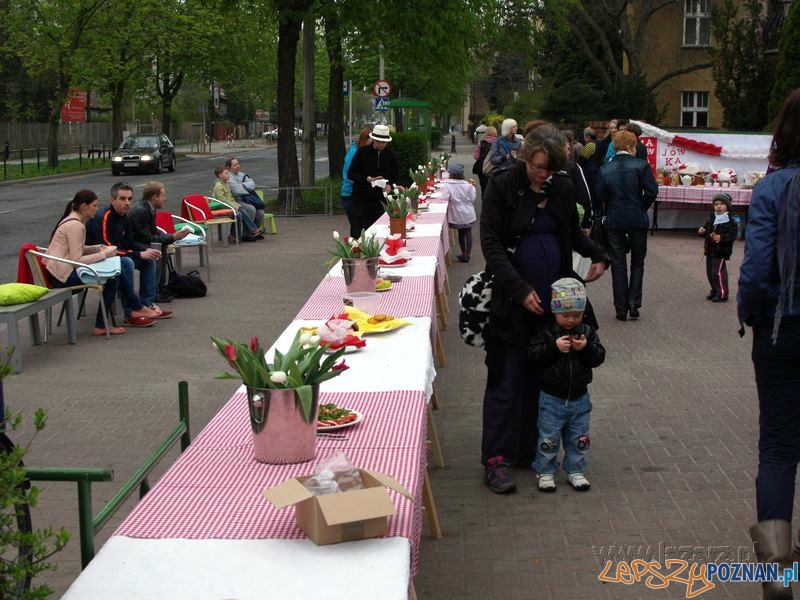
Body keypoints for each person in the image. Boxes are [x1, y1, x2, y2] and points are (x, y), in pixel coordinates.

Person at [479, 124, 608, 494]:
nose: (544, 175)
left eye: (551, 169)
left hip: (555, 305)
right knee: (507, 379)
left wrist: (599, 254)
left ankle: (530, 449)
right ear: (525, 157)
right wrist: (518, 289)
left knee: (544, 377)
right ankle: (496, 459)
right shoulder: (503, 186)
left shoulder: (562, 186)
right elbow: (491, 243)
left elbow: (573, 234)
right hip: (513, 301)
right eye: (538, 167)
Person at [738, 88, 800, 600]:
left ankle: (779, 574)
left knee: (779, 449)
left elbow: (756, 269)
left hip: (784, 329)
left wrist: (749, 315)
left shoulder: (773, 188)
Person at [528, 277, 605, 492]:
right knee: (548, 437)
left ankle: (576, 469)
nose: (571, 320)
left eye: (577, 315)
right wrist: (553, 348)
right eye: (565, 315)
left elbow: (599, 358)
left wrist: (586, 348)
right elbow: (533, 356)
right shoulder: (546, 332)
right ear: (555, 312)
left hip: (580, 397)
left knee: (579, 437)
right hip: (552, 398)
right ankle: (545, 471)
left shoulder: (587, 333)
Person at [595, 130, 658, 321]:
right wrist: (641, 206)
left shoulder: (605, 168)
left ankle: (620, 307)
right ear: (631, 147)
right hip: (637, 217)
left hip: (614, 219)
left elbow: (599, 196)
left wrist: (611, 206)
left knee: (618, 264)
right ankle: (634, 303)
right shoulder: (641, 165)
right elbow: (651, 191)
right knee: (638, 263)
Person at [86, 182, 170, 324]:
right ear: (113, 200)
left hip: (115, 255)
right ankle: (130, 313)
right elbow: (107, 249)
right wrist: (138, 254)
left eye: (130, 199)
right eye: (122, 199)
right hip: (96, 259)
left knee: (148, 259)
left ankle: (146, 304)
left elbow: (129, 244)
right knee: (127, 262)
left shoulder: (126, 217)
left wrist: (145, 250)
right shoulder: (103, 217)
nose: (127, 203)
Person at [44, 190, 123, 336]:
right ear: (83, 206)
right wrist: (103, 254)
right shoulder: (76, 226)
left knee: (110, 277)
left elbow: (75, 250)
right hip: (62, 278)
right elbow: (76, 260)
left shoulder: (71, 219)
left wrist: (96, 248)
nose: (97, 208)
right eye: (94, 205)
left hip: (58, 273)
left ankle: (103, 323)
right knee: (112, 279)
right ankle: (101, 325)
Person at [128, 181, 191, 289]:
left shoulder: (149, 207)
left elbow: (153, 231)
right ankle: (155, 290)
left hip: (140, 241)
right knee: (156, 249)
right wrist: (172, 237)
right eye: (163, 196)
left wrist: (167, 236)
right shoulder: (141, 210)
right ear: (154, 197)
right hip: (133, 245)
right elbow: (146, 238)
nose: (165, 198)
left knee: (161, 244)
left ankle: (159, 286)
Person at [347, 124, 400, 236]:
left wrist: (390, 185)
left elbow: (396, 176)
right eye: (378, 142)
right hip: (360, 200)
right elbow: (351, 174)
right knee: (358, 234)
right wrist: (366, 179)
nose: (380, 144)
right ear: (373, 140)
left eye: (383, 142)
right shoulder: (362, 152)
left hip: (378, 202)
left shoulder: (391, 156)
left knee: (376, 234)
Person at [697, 193, 737, 302]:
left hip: (721, 251)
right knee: (710, 272)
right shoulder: (712, 217)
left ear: (727, 206)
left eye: (722, 204)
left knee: (717, 272)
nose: (719, 206)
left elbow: (733, 235)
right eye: (716, 204)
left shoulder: (730, 220)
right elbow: (707, 229)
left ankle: (722, 293)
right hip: (710, 250)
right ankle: (715, 290)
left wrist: (722, 237)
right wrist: (702, 231)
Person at [212, 166, 264, 242]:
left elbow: (230, 198)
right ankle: (253, 230)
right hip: (222, 206)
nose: (228, 175)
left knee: (241, 212)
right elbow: (222, 200)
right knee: (241, 213)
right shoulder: (218, 186)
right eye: (226, 173)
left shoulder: (226, 184)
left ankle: (237, 235)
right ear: (220, 175)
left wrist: (235, 204)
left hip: (229, 205)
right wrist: (234, 205)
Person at [441, 163, 477, 263]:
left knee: (461, 233)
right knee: (468, 232)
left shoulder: (448, 185)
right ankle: (468, 254)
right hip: (468, 213)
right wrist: (473, 187)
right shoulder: (467, 185)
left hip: (456, 213)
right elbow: (472, 198)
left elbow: (444, 197)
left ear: (451, 174)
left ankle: (463, 253)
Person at [341, 127, 372, 238]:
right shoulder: (355, 153)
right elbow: (351, 175)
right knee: (358, 229)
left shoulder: (359, 151)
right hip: (350, 194)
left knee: (359, 227)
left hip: (357, 195)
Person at [225, 157, 266, 228]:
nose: (238, 166)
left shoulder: (241, 174)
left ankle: (255, 231)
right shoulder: (227, 176)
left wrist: (243, 185)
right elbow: (237, 190)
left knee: (260, 212)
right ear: (229, 167)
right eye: (235, 165)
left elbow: (252, 184)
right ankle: (247, 233)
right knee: (251, 209)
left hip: (246, 199)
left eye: (238, 164)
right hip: (236, 200)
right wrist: (247, 187)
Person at [472, 125, 496, 196]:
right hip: (493, 166)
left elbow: (476, 156)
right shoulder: (497, 143)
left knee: (483, 185)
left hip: (482, 167)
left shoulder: (481, 143)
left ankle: (484, 200)